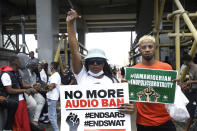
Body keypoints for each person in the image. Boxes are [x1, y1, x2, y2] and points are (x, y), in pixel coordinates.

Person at [67, 9, 134, 116]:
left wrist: (129, 108)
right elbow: (75, 51)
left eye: (99, 61)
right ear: (87, 63)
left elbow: (123, 106)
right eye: (91, 61)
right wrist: (70, 24)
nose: (95, 64)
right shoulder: (82, 75)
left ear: (104, 64)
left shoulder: (113, 81)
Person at [132, 35, 176, 131]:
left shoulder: (167, 68)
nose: (147, 50)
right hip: (143, 122)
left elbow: (173, 93)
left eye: (150, 46)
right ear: (139, 50)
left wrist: (177, 86)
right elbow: (129, 98)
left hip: (165, 120)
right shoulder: (133, 71)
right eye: (144, 47)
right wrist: (124, 86)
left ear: (155, 48)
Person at [0, 56, 31, 131]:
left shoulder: (17, 72)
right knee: (18, 124)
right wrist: (23, 90)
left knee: (24, 123)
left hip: (22, 100)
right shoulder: (6, 74)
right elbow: (9, 90)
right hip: (15, 100)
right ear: (14, 62)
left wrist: (32, 85)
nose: (21, 62)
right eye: (19, 61)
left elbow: (23, 85)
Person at [19, 62, 45, 126]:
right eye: (36, 67)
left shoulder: (34, 74)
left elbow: (34, 85)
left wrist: (36, 89)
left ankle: (35, 120)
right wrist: (32, 89)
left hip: (32, 91)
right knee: (33, 104)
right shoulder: (24, 73)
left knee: (42, 100)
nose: (38, 69)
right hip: (25, 91)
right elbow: (23, 85)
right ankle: (30, 121)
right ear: (32, 67)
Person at [181, 54, 197, 131]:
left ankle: (186, 129)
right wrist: (186, 85)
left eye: (183, 61)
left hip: (195, 93)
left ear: (186, 61)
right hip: (192, 92)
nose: (183, 63)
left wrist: (190, 81)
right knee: (190, 110)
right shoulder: (190, 68)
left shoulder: (196, 68)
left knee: (191, 111)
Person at [46, 62, 61, 131]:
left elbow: (51, 87)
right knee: (53, 116)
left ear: (52, 66)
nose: (49, 67)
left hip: (52, 98)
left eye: (50, 66)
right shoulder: (53, 75)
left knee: (51, 116)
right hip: (51, 97)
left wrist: (44, 84)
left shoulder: (55, 76)